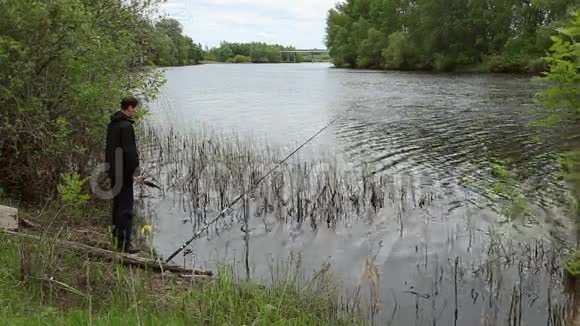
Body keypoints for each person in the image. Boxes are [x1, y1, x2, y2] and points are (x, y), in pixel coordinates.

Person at [105, 96, 140, 254]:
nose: (136, 111)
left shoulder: (112, 125)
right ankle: (125, 243)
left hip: (113, 171)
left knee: (117, 205)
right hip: (124, 173)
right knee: (126, 208)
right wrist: (135, 171)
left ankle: (116, 236)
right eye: (135, 108)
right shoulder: (126, 127)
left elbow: (109, 149)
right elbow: (130, 152)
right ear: (130, 108)